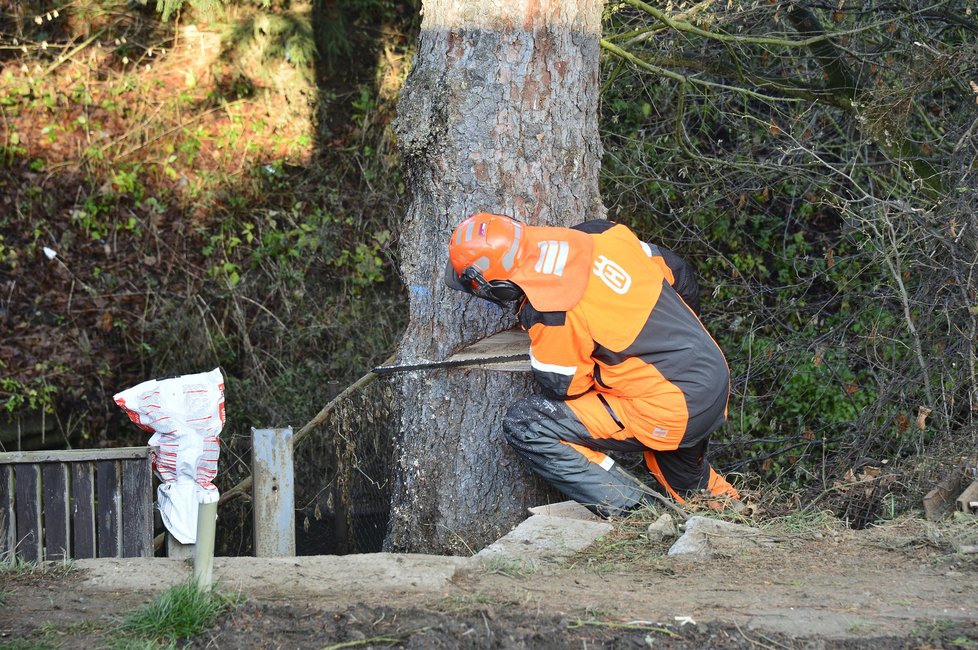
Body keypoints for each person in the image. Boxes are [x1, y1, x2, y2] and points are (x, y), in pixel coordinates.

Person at [444, 212, 740, 517]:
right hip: (711, 372)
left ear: (496, 285)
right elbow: (677, 270)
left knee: (529, 425)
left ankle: (641, 515)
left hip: (670, 407)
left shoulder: (551, 310)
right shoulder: (598, 234)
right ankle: (739, 518)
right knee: (689, 485)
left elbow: (567, 386)